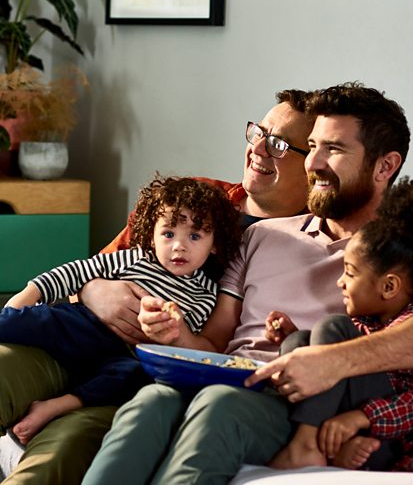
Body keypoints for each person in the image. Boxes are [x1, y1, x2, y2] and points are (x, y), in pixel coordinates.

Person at [81, 83, 413, 485]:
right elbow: (215, 343)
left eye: (334, 149)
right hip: (228, 378)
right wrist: (175, 333)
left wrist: (331, 361)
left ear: (384, 166)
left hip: (302, 405)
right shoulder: (262, 235)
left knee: (221, 406)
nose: (314, 163)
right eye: (313, 146)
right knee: (150, 402)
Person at [0, 89, 314, 485]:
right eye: (259, 133)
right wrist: (96, 291)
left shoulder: (308, 247)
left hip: (133, 376)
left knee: (62, 450)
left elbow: (222, 351)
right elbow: (92, 270)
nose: (258, 150)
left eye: (279, 145)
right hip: (72, 338)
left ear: (313, 165)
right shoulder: (191, 197)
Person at [0, 175, 241, 446]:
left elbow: (183, 349)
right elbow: (76, 272)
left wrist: (172, 331)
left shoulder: (206, 296)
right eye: (168, 234)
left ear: (215, 243)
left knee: (132, 377)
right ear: (152, 234)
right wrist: (28, 294)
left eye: (195, 236)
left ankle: (56, 406)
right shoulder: (136, 258)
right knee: (35, 320)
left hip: (124, 354)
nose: (179, 246)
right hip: (85, 326)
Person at [267, 176, 413, 471]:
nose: (340, 282)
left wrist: (362, 417)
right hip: (346, 425)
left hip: (387, 439)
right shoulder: (368, 322)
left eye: (350, 273)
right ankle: (328, 449)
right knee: (298, 342)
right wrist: (292, 335)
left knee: (333, 328)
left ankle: (305, 444)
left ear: (389, 287)